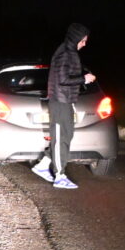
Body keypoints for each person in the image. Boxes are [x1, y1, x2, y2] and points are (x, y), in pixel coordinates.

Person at [31, 23, 96, 189]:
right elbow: (63, 80)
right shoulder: (65, 53)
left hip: (66, 101)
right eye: (83, 40)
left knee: (66, 137)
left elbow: (67, 77)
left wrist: (81, 80)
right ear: (76, 39)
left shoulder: (70, 52)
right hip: (60, 102)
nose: (84, 43)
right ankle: (59, 176)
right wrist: (84, 79)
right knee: (61, 139)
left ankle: (43, 164)